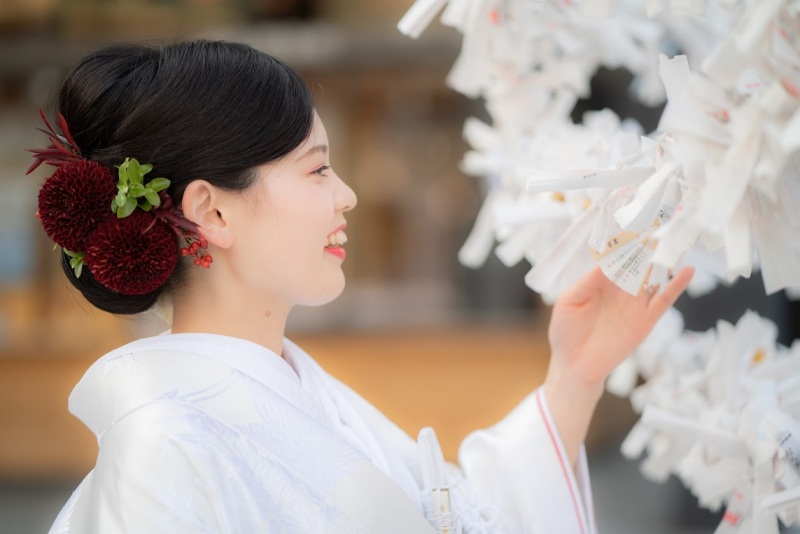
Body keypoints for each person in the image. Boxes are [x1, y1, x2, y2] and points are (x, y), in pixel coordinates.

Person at [33, 40, 692, 534]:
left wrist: (574, 375)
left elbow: (460, 514)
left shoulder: (293, 389)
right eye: (317, 170)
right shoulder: (164, 446)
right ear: (213, 211)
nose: (347, 196)